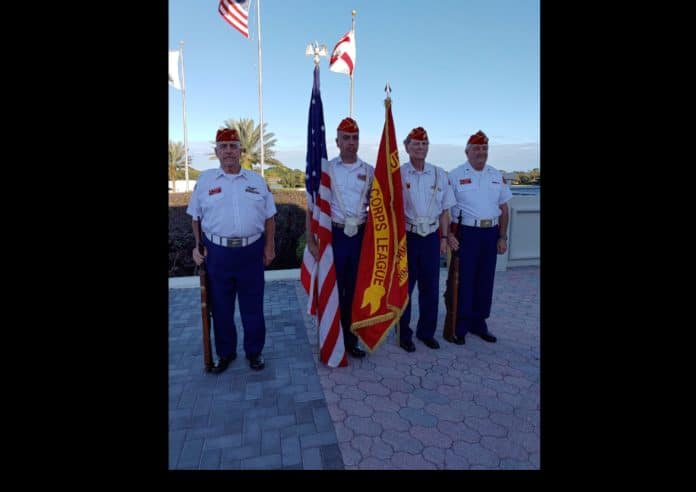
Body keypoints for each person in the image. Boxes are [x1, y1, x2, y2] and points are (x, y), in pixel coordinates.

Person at [187, 128, 277, 371]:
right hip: (218, 254)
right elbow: (195, 218)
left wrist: (269, 247)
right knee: (221, 309)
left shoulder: (257, 181)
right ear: (216, 152)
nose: (228, 151)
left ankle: (254, 352)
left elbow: (270, 217)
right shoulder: (204, 182)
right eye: (223, 147)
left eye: (233, 146)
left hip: (251, 253)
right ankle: (225, 353)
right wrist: (197, 247)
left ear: (241, 151)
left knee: (253, 307)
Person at [305, 117, 374, 358]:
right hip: (333, 235)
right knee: (334, 288)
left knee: (355, 290)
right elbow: (312, 207)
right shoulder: (327, 170)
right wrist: (310, 240)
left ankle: (351, 339)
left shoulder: (369, 171)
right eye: (346, 138)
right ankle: (331, 337)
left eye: (355, 138)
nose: (351, 143)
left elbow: (379, 208)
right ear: (337, 141)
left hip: (360, 237)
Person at [445, 130, 512, 344]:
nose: (480, 152)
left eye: (484, 148)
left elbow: (504, 207)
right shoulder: (455, 175)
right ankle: (460, 324)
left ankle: (479, 323)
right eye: (476, 148)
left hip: (490, 233)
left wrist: (502, 237)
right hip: (466, 233)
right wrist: (447, 235)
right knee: (463, 280)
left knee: (485, 279)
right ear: (467, 152)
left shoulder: (496, 175)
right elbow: (445, 209)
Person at [398, 127, 456, 352]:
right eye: (416, 144)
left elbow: (445, 212)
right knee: (405, 288)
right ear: (407, 147)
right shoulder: (399, 174)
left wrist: (444, 237)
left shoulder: (440, 174)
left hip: (432, 236)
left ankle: (426, 332)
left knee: (430, 287)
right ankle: (404, 334)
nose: (420, 148)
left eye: (424, 144)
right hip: (409, 236)